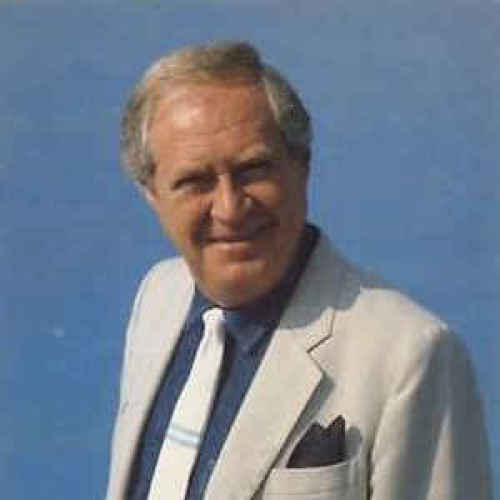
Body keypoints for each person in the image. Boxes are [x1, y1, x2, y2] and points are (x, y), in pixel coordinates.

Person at [105, 41, 492, 500]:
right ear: (151, 194)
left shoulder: (409, 356)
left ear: (302, 166)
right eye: (196, 181)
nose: (229, 208)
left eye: (253, 170)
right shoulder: (158, 298)